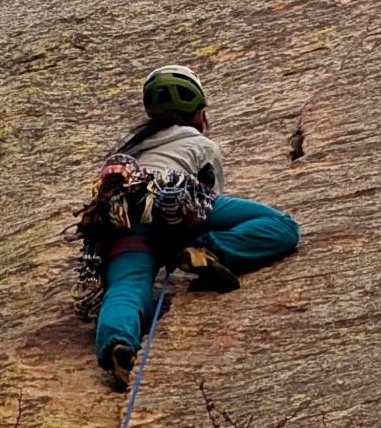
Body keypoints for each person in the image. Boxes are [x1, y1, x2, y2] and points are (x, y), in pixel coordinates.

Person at [79, 65, 300, 386]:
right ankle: (206, 251)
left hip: (123, 217)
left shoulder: (127, 145)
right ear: (197, 112)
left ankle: (118, 346)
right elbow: (209, 199)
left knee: (127, 286)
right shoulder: (200, 143)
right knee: (280, 226)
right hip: (178, 207)